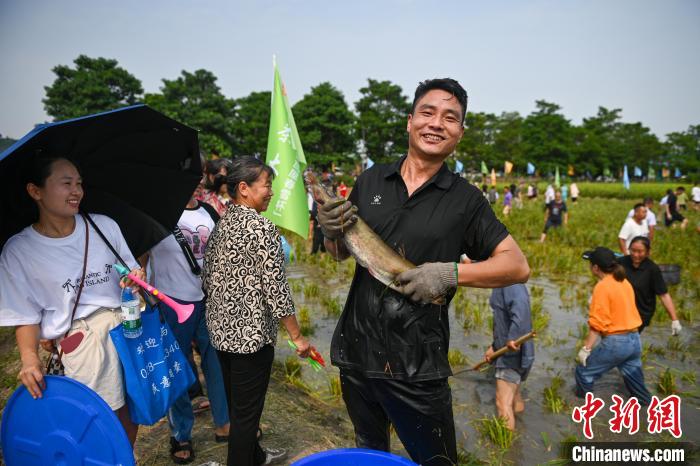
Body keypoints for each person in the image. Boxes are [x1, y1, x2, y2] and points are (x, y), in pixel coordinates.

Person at [316, 78, 529, 465]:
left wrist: (449, 274)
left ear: (460, 134)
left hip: (418, 364)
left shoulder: (466, 200)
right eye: (427, 112)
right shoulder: (371, 180)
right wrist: (331, 233)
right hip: (357, 353)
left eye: (450, 117)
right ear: (410, 121)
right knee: (369, 454)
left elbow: (517, 265)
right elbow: (340, 255)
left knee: (437, 462)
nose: (436, 123)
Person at [0, 156, 144, 446]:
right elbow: (23, 313)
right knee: (99, 420)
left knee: (134, 412)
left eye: (79, 183)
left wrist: (136, 276)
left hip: (127, 326)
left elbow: (131, 270)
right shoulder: (20, 250)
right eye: (66, 183)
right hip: (82, 342)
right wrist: (29, 359)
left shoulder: (103, 225)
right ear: (35, 191)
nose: (76, 191)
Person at [202, 156, 312, 466]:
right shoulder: (262, 228)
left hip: (221, 336)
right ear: (244, 188)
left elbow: (207, 280)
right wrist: (298, 337)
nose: (271, 192)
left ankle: (257, 457)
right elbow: (277, 290)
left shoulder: (221, 223)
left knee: (239, 408)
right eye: (267, 185)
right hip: (250, 341)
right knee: (247, 418)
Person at [146, 192, 229, 464]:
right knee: (176, 367)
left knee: (216, 362)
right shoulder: (156, 214)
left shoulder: (209, 212)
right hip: (171, 302)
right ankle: (181, 433)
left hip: (208, 300)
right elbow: (142, 257)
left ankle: (224, 422)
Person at [575, 247, 652, 406]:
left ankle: (584, 411)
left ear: (596, 268)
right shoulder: (624, 282)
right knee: (637, 386)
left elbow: (597, 324)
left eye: (590, 265)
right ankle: (649, 411)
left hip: (617, 343)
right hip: (634, 340)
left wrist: (586, 349)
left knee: (583, 373)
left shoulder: (602, 287)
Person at [485, 284, 534, 431]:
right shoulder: (507, 280)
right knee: (515, 395)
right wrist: (494, 346)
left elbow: (521, 311)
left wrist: (512, 339)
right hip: (519, 350)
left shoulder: (511, 283)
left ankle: (506, 450)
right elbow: (504, 320)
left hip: (511, 353)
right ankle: (519, 430)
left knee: (502, 403)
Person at [619, 237, 682, 335]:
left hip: (641, 313)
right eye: (633, 250)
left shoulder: (652, 269)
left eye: (640, 252)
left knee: (625, 340)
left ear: (648, 252)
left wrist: (674, 320)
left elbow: (664, 295)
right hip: (622, 310)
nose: (635, 255)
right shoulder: (621, 263)